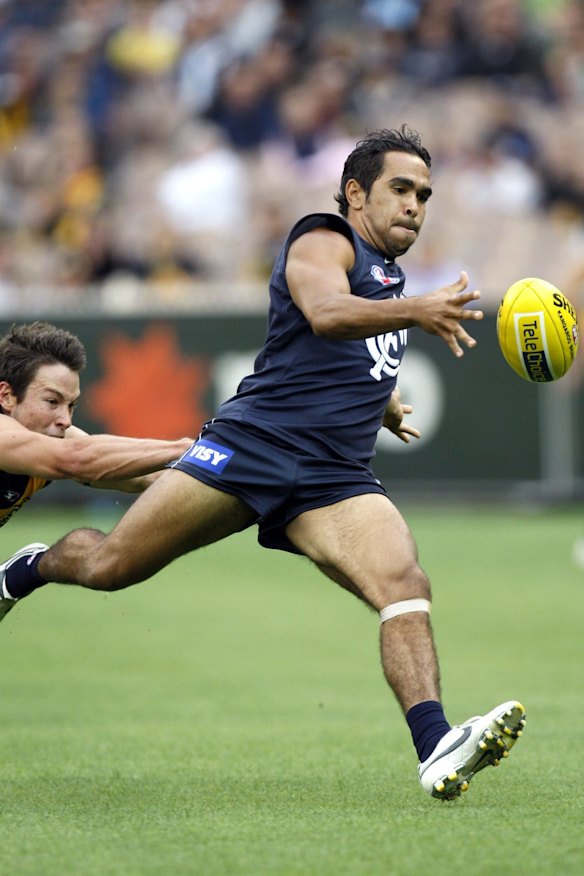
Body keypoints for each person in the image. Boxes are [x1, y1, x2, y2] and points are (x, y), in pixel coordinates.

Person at [0, 128, 525, 801]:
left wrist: (383, 398)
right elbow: (327, 313)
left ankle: (436, 747)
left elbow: (348, 344)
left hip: (335, 475)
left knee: (403, 582)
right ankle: (31, 567)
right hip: (254, 447)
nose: (415, 205)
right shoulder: (323, 237)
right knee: (109, 568)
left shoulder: (390, 279)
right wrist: (419, 309)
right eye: (400, 189)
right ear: (356, 192)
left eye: (424, 194)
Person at [0, 320, 192, 616]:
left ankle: (19, 575)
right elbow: (78, 459)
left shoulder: (49, 436)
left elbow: (146, 477)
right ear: (7, 396)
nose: (65, 419)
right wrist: (188, 448)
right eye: (52, 401)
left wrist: (237, 486)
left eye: (71, 405)